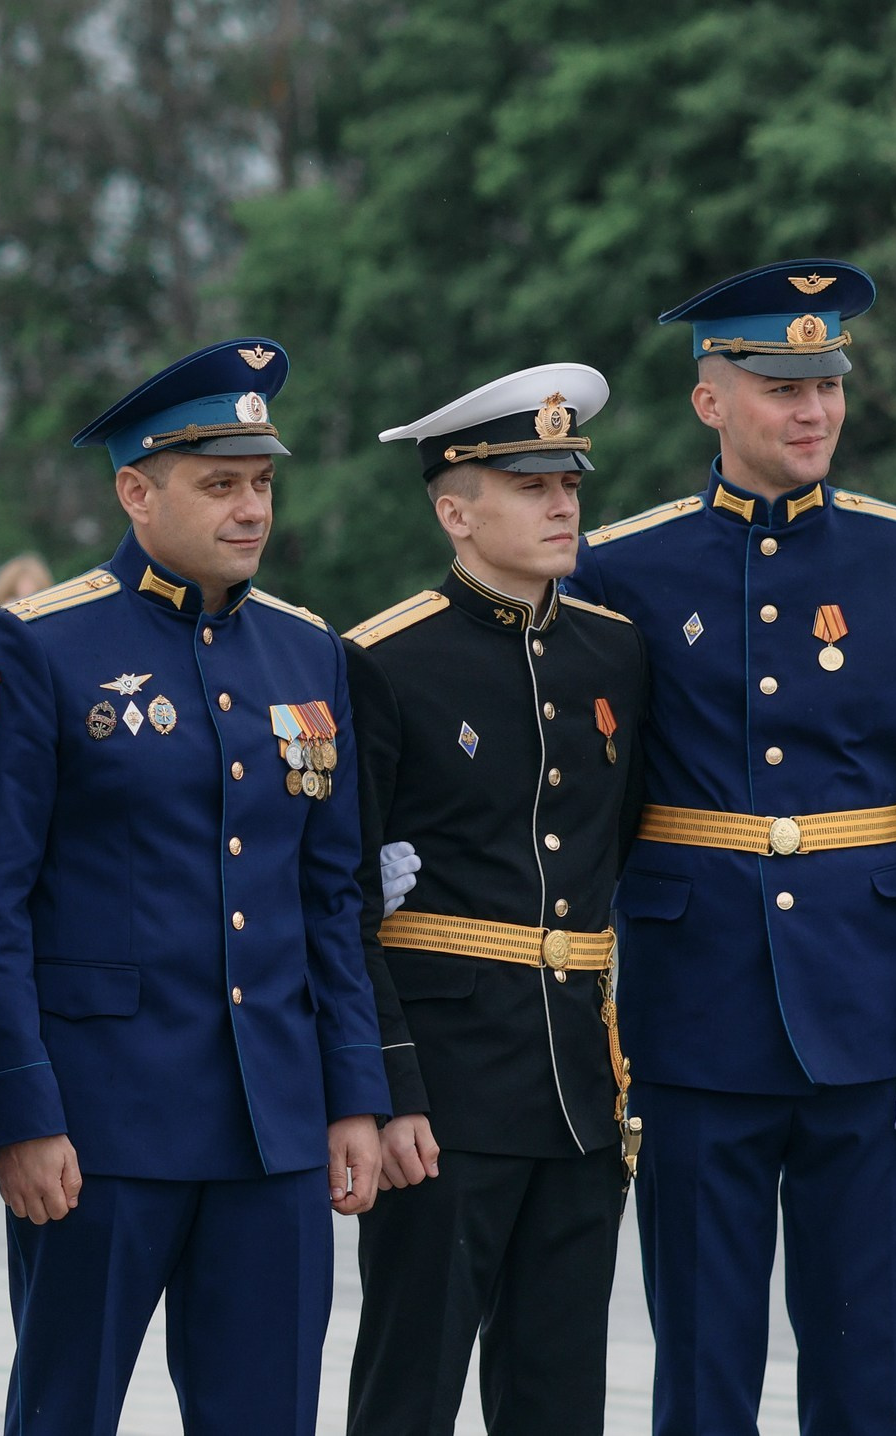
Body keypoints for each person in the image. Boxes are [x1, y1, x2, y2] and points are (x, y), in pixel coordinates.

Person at [563, 259, 896, 1434]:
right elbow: (575, 786)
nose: (813, 409)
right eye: (779, 385)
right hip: (693, 1016)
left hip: (867, 1017)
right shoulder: (622, 566)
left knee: (865, 1373)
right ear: (709, 398)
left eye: (827, 382)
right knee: (703, 1368)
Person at [0, 337, 389, 1436]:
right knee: (66, 1408)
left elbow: (329, 896)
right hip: (103, 1124)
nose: (251, 509)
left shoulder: (306, 651)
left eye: (261, 482)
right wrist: (19, 1106)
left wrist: (352, 1092)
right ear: (135, 491)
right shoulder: (41, 645)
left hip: (270, 1122)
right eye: (219, 483)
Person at [341, 364, 651, 1435]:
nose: (563, 503)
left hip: (579, 1081)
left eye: (568, 481)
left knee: (560, 1396)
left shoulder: (613, 651)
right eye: (530, 484)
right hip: (448, 1088)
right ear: (455, 509)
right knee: (409, 1388)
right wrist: (387, 1088)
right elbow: (344, 901)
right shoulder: (383, 661)